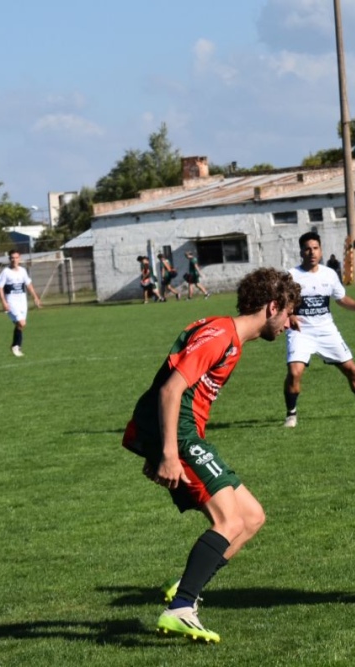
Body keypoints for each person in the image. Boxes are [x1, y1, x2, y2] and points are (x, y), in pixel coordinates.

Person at [121, 267, 301, 643]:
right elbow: (170, 390)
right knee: (229, 520)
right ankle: (181, 607)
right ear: (272, 307)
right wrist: (167, 452)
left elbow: (163, 388)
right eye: (287, 312)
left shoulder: (231, 336)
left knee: (251, 517)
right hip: (183, 434)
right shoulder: (220, 334)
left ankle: (185, 586)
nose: (289, 323)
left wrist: (154, 446)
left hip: (185, 434)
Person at [283, 231, 355, 427]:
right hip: (300, 332)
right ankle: (291, 415)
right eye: (307, 249)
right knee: (295, 372)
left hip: (326, 330)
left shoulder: (329, 274)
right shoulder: (291, 276)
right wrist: (290, 315)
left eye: (315, 248)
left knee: (351, 369)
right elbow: (280, 303)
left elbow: (342, 299)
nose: (312, 252)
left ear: (321, 251)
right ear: (301, 252)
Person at [0, 249, 42, 357]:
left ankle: (15, 346)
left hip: (22, 302)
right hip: (11, 302)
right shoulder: (6, 272)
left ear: (19, 258)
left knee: (20, 325)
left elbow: (28, 284)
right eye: (12, 258)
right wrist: (4, 302)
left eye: (16, 258)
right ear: (9, 259)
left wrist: (35, 297)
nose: (14, 260)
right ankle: (16, 346)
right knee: (21, 323)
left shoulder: (23, 271)